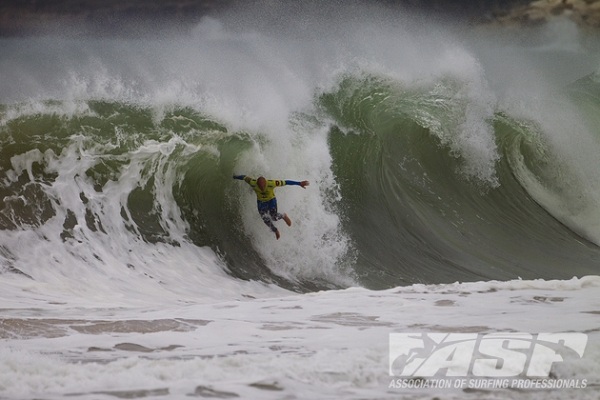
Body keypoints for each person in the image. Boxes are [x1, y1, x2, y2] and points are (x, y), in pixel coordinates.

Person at [233, 174, 309, 239]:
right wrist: (235, 176)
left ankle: (283, 216)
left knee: (273, 217)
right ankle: (275, 230)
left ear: (266, 183)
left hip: (271, 201)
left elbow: (286, 182)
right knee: (265, 219)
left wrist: (299, 183)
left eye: (263, 186)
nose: (262, 189)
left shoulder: (272, 183)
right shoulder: (252, 182)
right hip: (261, 202)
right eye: (260, 187)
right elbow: (244, 177)